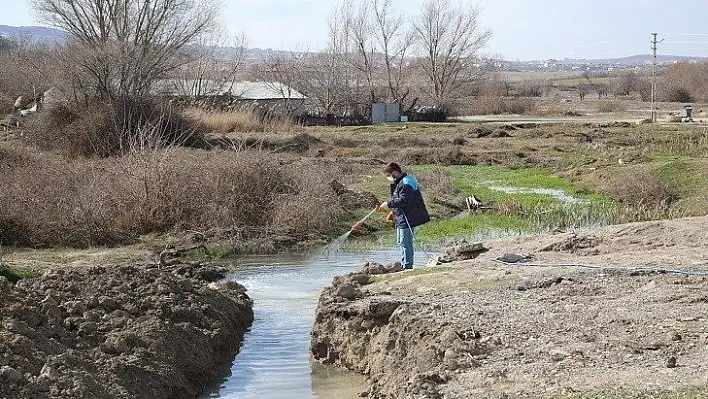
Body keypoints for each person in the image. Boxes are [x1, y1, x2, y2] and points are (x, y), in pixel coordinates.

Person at [377, 162, 430, 269]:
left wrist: (388, 204)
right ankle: (404, 263)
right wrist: (392, 212)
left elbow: (404, 200)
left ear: (395, 172)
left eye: (388, 175)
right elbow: (397, 199)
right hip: (401, 216)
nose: (388, 178)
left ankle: (407, 266)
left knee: (405, 242)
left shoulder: (407, 182)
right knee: (400, 241)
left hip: (409, 217)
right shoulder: (399, 182)